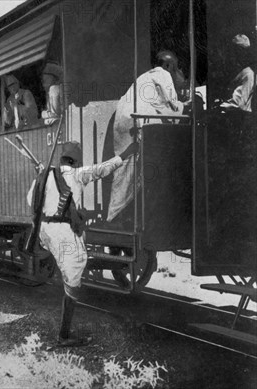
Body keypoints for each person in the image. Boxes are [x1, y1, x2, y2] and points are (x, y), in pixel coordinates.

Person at [27, 141, 138, 347]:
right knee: (74, 277)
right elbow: (103, 169)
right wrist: (125, 154)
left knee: (73, 270)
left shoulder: (43, 176)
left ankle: (65, 326)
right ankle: (64, 335)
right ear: (76, 161)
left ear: (61, 159)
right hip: (64, 233)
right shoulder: (77, 174)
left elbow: (30, 201)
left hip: (45, 231)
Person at [107, 50, 187, 222]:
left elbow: (160, 106)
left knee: (125, 172)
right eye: (176, 67)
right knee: (143, 172)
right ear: (167, 65)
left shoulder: (144, 78)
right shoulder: (163, 74)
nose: (177, 71)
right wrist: (186, 105)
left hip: (124, 123)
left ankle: (116, 216)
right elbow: (173, 107)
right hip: (138, 124)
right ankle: (138, 219)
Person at [219, 34, 255, 112]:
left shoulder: (248, 74)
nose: (230, 55)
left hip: (237, 116)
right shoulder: (237, 72)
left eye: (235, 51)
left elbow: (239, 105)